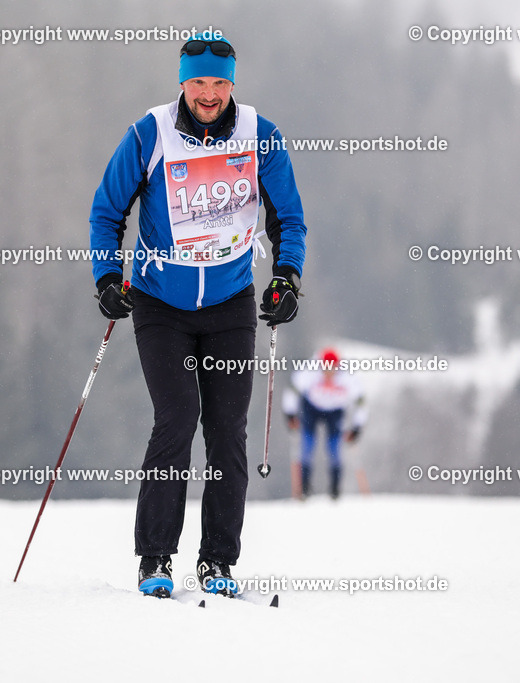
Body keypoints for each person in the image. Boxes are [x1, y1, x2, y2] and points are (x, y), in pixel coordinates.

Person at [89, 34, 307, 598]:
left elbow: (289, 219)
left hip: (231, 303)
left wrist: (287, 277)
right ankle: (155, 558)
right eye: (198, 82)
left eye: (219, 83)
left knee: (227, 431)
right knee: (177, 416)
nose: (208, 94)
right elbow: (107, 211)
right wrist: (107, 278)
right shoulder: (149, 134)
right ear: (182, 82)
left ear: (233, 83)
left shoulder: (261, 135)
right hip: (161, 303)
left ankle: (218, 563)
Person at [283, 348, 366, 500]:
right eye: (325, 369)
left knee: (334, 448)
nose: (328, 373)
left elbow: (360, 402)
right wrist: (290, 414)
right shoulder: (310, 372)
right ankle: (304, 487)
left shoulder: (347, 376)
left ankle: (335, 488)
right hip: (312, 409)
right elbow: (292, 391)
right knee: (307, 446)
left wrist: (357, 427)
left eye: (332, 369)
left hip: (335, 411)